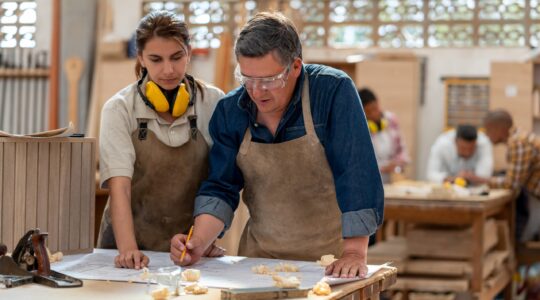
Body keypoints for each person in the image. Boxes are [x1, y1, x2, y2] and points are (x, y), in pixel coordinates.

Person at [170, 12, 384, 278]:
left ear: (295, 67)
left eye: (269, 81)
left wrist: (354, 254)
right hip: (260, 259)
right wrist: (198, 242)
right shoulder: (231, 111)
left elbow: (356, 174)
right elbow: (221, 186)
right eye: (248, 79)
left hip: (331, 262)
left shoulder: (331, 93)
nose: (257, 92)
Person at [97, 11, 225, 269]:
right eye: (156, 59)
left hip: (185, 250)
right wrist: (128, 250)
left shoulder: (213, 103)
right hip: (126, 244)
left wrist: (203, 238)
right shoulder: (119, 109)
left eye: (177, 57)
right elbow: (120, 187)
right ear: (141, 58)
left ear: (188, 53)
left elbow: (220, 182)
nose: (168, 70)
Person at [462, 109, 540, 241]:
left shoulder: (518, 143)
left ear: (499, 129)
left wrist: (477, 179)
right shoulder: (520, 138)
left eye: (488, 130)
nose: (487, 135)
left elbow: (512, 184)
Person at [358, 88, 409, 183]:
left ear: (378, 103)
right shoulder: (360, 128)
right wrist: (381, 168)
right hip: (371, 180)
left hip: (392, 178)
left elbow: (402, 150)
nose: (374, 114)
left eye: (375, 108)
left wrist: (396, 164)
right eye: (368, 112)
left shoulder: (391, 119)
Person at [426, 124, 493, 184]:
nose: (467, 152)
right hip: (447, 190)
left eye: (471, 148)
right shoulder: (442, 144)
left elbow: (486, 176)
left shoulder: (484, 144)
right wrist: (453, 179)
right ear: (455, 141)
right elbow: (431, 175)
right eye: (463, 148)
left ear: (476, 143)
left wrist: (470, 176)